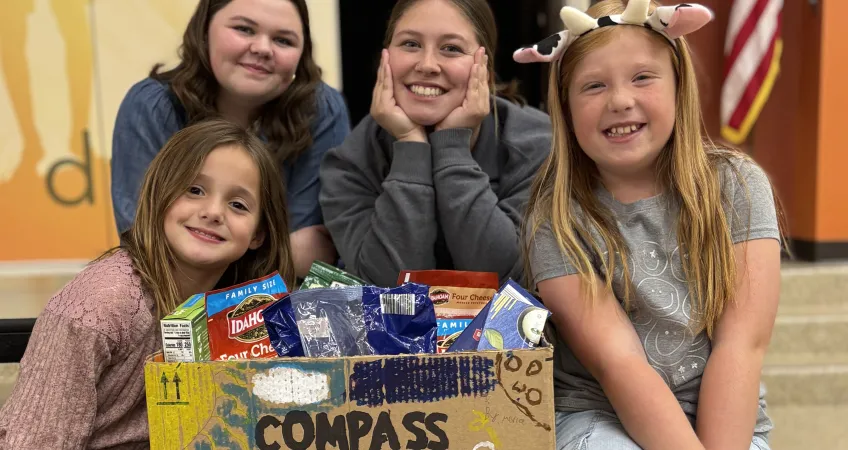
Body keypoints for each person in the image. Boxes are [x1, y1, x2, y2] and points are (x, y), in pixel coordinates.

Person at [518, 1, 787, 449]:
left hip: (720, 410)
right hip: (600, 412)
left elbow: (741, 346)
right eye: (594, 85)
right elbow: (619, 364)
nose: (620, 100)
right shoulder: (556, 220)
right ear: (564, 109)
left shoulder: (737, 185)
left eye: (642, 77)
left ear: (680, 87)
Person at [0, 119, 295, 448]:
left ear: (258, 234)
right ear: (159, 196)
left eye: (237, 205)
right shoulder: (99, 306)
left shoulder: (253, 313)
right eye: (194, 190)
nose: (213, 212)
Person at [319, 0, 552, 287]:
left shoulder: (541, 146)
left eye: (451, 48)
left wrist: (452, 147)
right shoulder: (348, 166)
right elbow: (391, 288)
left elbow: (505, 278)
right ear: (385, 60)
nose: (427, 65)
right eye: (410, 44)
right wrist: (409, 146)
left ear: (486, 72)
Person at [111, 0, 349, 278]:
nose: (262, 48)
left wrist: (204, 248)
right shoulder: (152, 106)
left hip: (279, 309)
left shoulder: (320, 109)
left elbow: (314, 259)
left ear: (302, 54)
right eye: (244, 29)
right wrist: (278, 252)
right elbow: (146, 246)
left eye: (283, 40)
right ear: (204, 30)